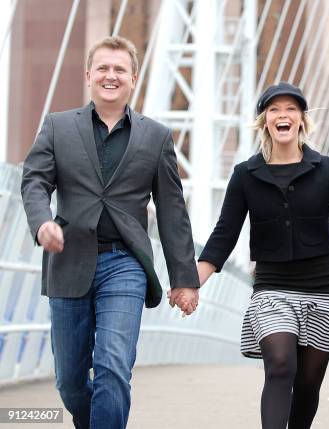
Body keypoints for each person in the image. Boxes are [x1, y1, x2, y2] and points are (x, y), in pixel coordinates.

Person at [21, 36, 199, 429]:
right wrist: (41, 222)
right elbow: (34, 182)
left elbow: (172, 212)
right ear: (88, 76)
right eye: (103, 68)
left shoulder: (156, 137)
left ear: (133, 78)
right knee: (70, 382)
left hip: (126, 264)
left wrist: (184, 280)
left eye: (120, 69)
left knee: (113, 366)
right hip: (68, 261)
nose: (111, 76)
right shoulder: (58, 126)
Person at [196, 82, 329, 429]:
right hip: (273, 287)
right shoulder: (246, 175)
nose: (283, 115)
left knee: (308, 384)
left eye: (291, 109)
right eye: (275, 109)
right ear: (264, 120)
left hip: (325, 289)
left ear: (302, 120)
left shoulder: (327, 169)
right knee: (280, 365)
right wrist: (192, 282)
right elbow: (223, 235)